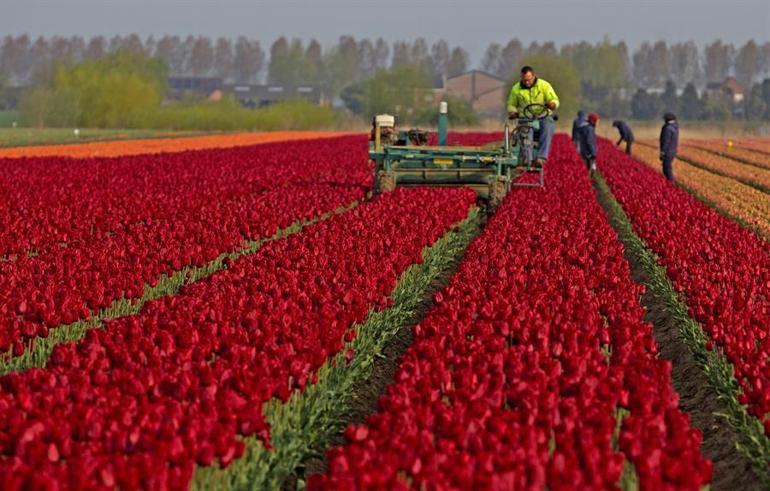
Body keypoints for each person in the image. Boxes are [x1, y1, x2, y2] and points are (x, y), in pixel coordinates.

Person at [507, 66, 559, 165]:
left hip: (543, 116)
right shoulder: (516, 89)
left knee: (548, 125)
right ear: (521, 78)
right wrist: (512, 112)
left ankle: (541, 158)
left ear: (533, 76)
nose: (527, 82)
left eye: (529, 80)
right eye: (524, 80)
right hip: (526, 117)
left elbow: (554, 99)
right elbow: (511, 104)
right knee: (525, 129)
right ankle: (527, 158)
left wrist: (552, 104)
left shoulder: (544, 85)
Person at [659, 113, 679, 182]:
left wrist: (662, 152)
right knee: (667, 168)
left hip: (668, 152)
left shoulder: (668, 128)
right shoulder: (675, 127)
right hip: (672, 151)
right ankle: (670, 183)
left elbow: (666, 141)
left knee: (666, 169)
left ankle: (671, 184)